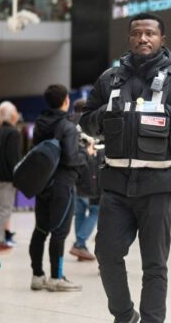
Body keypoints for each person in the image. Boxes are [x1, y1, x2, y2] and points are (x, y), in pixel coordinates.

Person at [80, 12, 171, 323]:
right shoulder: (109, 78)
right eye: (137, 33)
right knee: (107, 255)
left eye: (150, 34)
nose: (143, 39)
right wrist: (108, 114)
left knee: (154, 264)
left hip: (159, 185)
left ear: (162, 39)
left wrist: (165, 113)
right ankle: (125, 315)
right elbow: (87, 120)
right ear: (129, 38)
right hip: (115, 185)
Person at [29, 84, 88, 293]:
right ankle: (56, 277)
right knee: (60, 232)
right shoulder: (68, 126)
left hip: (42, 182)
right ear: (66, 100)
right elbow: (71, 158)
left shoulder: (39, 123)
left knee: (40, 229)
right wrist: (85, 153)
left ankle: (37, 275)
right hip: (63, 184)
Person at [68, 99, 101, 261]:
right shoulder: (89, 123)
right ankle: (80, 243)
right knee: (96, 209)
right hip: (90, 171)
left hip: (73, 172)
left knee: (79, 211)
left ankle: (81, 249)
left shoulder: (67, 123)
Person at [0, 101, 22, 251]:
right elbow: (13, 157)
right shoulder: (13, 133)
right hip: (7, 178)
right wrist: (17, 177)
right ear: (13, 115)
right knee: (5, 209)